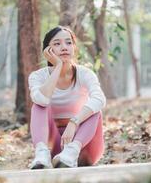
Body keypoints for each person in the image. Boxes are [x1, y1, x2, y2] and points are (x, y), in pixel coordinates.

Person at [28, 26, 106, 169]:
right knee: (38, 105)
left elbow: (99, 99)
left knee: (94, 109)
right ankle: (41, 154)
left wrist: (74, 122)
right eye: (57, 44)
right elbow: (41, 99)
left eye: (68, 42)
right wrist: (57, 66)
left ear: (74, 47)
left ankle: (71, 153)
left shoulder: (85, 74)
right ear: (47, 51)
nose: (64, 47)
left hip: (83, 147)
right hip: (55, 147)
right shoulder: (37, 76)